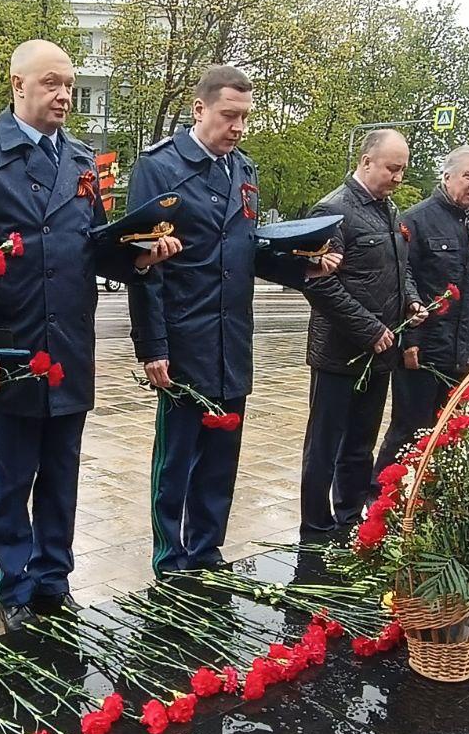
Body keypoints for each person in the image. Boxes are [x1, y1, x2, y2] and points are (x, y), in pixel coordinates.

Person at [0, 40, 182, 631]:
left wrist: (138, 256)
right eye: (52, 82)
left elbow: (91, 251)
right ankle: (15, 587)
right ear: (18, 84)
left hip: (70, 348)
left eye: (69, 83)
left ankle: (54, 580)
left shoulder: (81, 160)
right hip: (12, 346)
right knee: (9, 479)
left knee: (62, 474)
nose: (64, 94)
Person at [127, 64, 339, 576]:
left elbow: (245, 251)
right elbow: (141, 265)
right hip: (182, 339)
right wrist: (153, 345)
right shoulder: (158, 167)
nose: (239, 126)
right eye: (229, 116)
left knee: (222, 455)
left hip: (231, 338)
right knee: (177, 457)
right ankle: (170, 557)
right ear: (200, 110)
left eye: (245, 117)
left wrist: (302, 265)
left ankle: (206, 549)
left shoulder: (243, 170)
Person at [298, 129, 423, 545]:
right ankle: (316, 529)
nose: (398, 177)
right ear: (366, 161)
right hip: (339, 353)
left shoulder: (389, 211)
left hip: (379, 354)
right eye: (392, 168)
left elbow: (399, 269)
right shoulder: (332, 210)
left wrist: (410, 302)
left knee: (361, 444)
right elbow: (319, 283)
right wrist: (369, 328)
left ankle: (350, 520)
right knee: (324, 446)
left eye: (402, 169)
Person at [375, 145, 469, 471]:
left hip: (464, 355)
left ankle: (430, 502)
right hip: (425, 355)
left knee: (453, 437)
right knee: (409, 433)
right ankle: (379, 499)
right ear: (447, 176)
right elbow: (402, 284)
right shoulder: (416, 220)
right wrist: (410, 342)